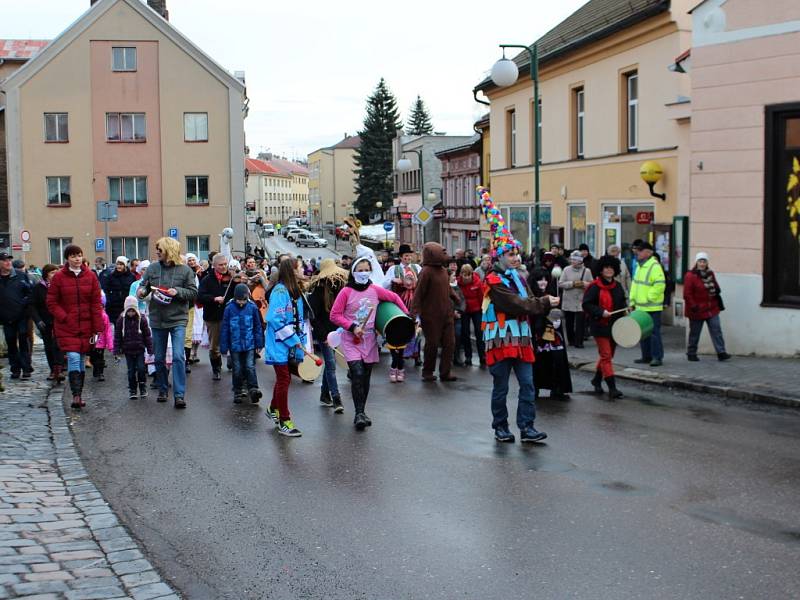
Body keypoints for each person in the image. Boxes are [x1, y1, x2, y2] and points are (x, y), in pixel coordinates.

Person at [483, 245, 558, 443]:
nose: (516, 258)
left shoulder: (520, 278)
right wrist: (544, 302)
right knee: (501, 387)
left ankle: (527, 426)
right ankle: (500, 426)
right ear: (499, 257)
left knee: (527, 383)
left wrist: (543, 305)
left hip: (522, 339)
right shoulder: (493, 280)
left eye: (516, 254)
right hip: (500, 339)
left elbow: (531, 301)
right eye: (511, 254)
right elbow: (515, 304)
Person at [330, 256, 407, 430]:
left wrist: (406, 315)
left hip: (369, 339)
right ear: (353, 271)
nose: (364, 273)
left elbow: (394, 298)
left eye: (367, 270)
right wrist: (352, 326)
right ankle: (358, 414)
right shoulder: (346, 292)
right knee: (356, 373)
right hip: (351, 339)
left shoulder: (375, 290)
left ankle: (362, 411)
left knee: (365, 377)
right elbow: (334, 315)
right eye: (360, 270)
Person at [137, 237, 198, 408]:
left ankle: (179, 395)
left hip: (178, 318)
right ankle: (163, 388)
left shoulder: (185, 270)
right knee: (159, 356)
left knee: (178, 356)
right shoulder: (152, 268)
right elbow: (143, 287)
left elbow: (193, 293)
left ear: (169, 250)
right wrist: (142, 292)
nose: (157, 252)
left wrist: (177, 291)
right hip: (157, 318)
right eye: (157, 249)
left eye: (160, 249)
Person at [47, 245, 103, 408]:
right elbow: (51, 302)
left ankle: (79, 392)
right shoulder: (58, 278)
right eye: (73, 256)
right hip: (67, 326)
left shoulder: (91, 276)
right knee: (72, 357)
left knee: (80, 359)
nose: (77, 259)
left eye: (79, 255)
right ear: (67, 258)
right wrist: (64, 317)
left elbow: (96, 303)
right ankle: (76, 396)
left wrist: (97, 327)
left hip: (86, 326)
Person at [265, 258, 306, 437]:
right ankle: (284, 420)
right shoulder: (280, 291)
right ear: (292, 270)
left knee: (285, 378)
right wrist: (292, 339)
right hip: (279, 343)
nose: (303, 269)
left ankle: (273, 408)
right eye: (301, 267)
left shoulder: (293, 290)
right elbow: (274, 318)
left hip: (289, 343)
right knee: (284, 379)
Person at [412, 242, 458, 382]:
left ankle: (445, 372)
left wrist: (455, 297)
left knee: (450, 344)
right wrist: (414, 313)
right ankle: (428, 371)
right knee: (432, 344)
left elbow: (447, 288)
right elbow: (418, 294)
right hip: (431, 316)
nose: (446, 255)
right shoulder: (426, 272)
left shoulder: (443, 270)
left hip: (447, 314)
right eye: (442, 252)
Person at [583, 255, 627, 399]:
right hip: (600, 325)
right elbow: (587, 304)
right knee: (606, 356)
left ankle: (596, 379)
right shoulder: (594, 287)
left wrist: (627, 309)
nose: (609, 270)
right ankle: (612, 388)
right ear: (601, 270)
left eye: (611, 268)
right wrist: (601, 312)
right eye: (606, 268)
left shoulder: (618, 286)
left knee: (607, 356)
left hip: (615, 326)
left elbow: (621, 303)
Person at [307, 259, 348, 409]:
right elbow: (313, 317)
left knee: (331, 365)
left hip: (337, 332)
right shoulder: (318, 291)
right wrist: (323, 336)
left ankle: (324, 395)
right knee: (331, 364)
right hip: (324, 334)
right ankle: (336, 398)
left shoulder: (340, 288)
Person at [220, 284, 264, 404]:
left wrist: (259, 343)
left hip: (249, 344)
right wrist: (224, 347)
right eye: (239, 300)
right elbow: (225, 328)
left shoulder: (252, 307)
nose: (241, 303)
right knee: (237, 369)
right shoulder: (229, 308)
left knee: (250, 366)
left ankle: (254, 388)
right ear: (234, 298)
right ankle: (238, 390)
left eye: (243, 300)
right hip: (235, 345)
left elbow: (257, 326)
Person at [683, 252, 731, 362]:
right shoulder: (690, 276)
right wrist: (694, 306)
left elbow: (715, 286)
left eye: (704, 261)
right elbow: (687, 294)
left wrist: (717, 291)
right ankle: (691, 353)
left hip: (711, 308)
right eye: (700, 261)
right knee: (695, 333)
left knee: (716, 330)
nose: (702, 263)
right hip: (697, 309)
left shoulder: (710, 274)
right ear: (696, 262)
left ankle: (721, 352)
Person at [197, 253, 239, 380]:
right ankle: (216, 368)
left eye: (225, 264)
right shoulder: (207, 280)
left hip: (230, 315)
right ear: (214, 265)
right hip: (213, 316)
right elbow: (200, 297)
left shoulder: (231, 278)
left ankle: (233, 362)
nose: (224, 267)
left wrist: (237, 282)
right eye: (221, 265)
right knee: (214, 346)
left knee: (233, 341)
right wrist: (214, 299)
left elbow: (238, 292)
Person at [629, 241, 666, 367]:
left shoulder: (654, 266)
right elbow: (635, 284)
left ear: (648, 252)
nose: (637, 252)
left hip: (652, 306)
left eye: (640, 250)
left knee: (654, 333)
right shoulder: (640, 265)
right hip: (640, 306)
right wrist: (632, 300)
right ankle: (646, 356)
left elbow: (660, 284)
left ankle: (657, 357)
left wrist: (648, 298)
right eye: (637, 250)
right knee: (643, 332)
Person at [0, 251, 33, 380]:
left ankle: (26, 369)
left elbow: (30, 293)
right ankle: (15, 369)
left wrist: (23, 303)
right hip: (6, 317)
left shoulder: (20, 275)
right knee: (11, 343)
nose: (8, 262)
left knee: (23, 342)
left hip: (21, 316)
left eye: (9, 260)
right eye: (4, 260)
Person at [114, 296, 153, 400]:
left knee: (141, 368)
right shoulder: (121, 320)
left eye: (133, 311)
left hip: (140, 349)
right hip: (128, 350)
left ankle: (142, 386)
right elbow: (117, 336)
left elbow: (147, 336)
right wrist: (116, 350)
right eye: (129, 311)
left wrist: (150, 348)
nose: (131, 313)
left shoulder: (142, 320)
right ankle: (132, 389)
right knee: (131, 370)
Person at [30, 264, 64, 382]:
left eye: (56, 272)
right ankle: (52, 370)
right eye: (52, 273)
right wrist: (38, 320)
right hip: (45, 322)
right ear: (46, 274)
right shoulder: (38, 288)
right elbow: (32, 305)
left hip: (59, 321)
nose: (55, 275)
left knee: (58, 345)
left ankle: (59, 369)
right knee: (49, 346)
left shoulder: (60, 286)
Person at [558, 251, 593, 348]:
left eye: (575, 260)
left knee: (580, 323)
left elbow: (592, 284)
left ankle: (579, 342)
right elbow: (560, 284)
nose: (572, 261)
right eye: (572, 259)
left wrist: (583, 284)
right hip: (568, 299)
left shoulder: (587, 271)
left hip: (581, 300)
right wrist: (572, 284)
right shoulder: (566, 270)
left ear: (580, 261)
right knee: (569, 322)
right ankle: (571, 340)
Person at [457, 263, 486, 367]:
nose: (467, 277)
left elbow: (481, 296)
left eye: (469, 275)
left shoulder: (477, 282)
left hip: (476, 309)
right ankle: (468, 356)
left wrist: (483, 309)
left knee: (479, 332)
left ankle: (482, 356)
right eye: (465, 275)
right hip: (464, 310)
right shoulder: (458, 283)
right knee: (465, 333)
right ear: (461, 274)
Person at [103, 256, 136, 328]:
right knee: (117, 326)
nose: (119, 266)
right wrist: (109, 300)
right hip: (114, 306)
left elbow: (134, 289)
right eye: (117, 264)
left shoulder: (131, 276)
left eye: (121, 264)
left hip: (127, 305)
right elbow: (106, 290)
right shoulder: (111, 276)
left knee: (128, 326)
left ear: (125, 265)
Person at [90, 293, 114, 381]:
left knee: (100, 357)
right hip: (92, 340)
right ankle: (96, 370)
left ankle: (100, 373)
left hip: (101, 342)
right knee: (93, 357)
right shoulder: (90, 315)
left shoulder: (104, 316)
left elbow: (108, 331)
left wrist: (110, 345)